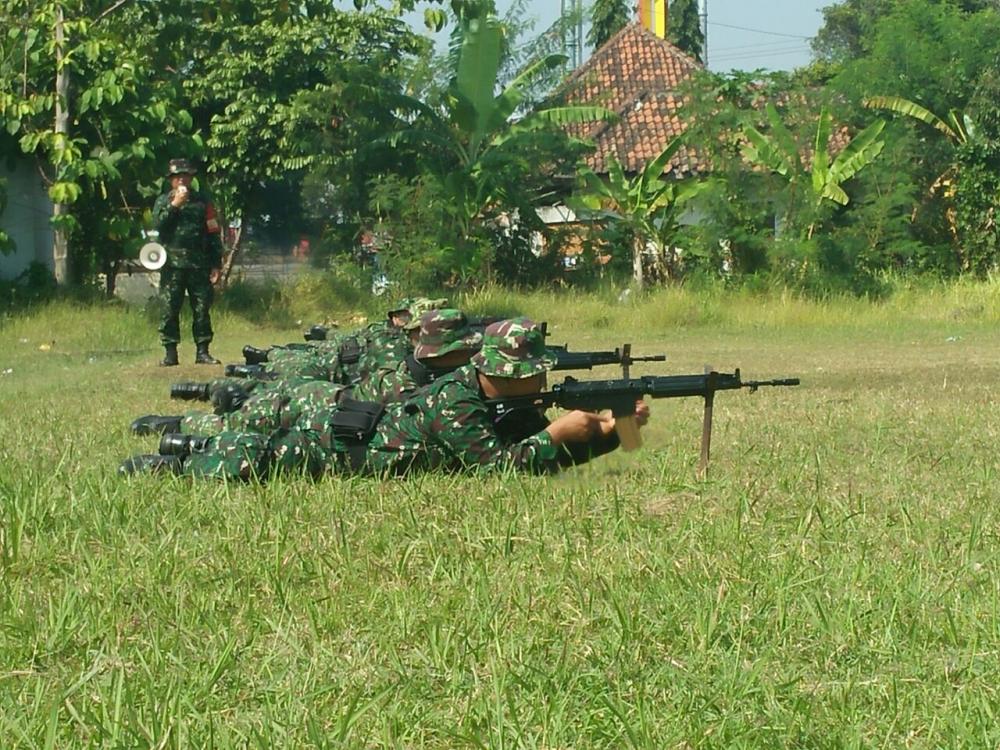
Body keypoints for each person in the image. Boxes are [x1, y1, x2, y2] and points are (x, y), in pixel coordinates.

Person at [119, 318, 650, 479]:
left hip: (356, 422)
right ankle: (167, 457)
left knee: (259, 438)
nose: (539, 384)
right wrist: (558, 434)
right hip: (341, 441)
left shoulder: (501, 404)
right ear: (502, 375)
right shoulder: (456, 404)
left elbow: (548, 455)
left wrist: (616, 432)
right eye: (530, 374)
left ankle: (178, 440)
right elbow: (502, 472)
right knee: (255, 452)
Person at [152, 158, 223, 366]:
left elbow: (213, 233)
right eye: (177, 176)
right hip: (172, 265)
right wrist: (175, 205)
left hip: (198, 264)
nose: (182, 179)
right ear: (171, 180)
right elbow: (158, 227)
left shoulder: (203, 202)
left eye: (186, 175)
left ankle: (202, 351)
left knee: (201, 308)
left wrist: (216, 264)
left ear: (191, 178)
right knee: (169, 309)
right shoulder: (163, 201)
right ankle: (170, 353)